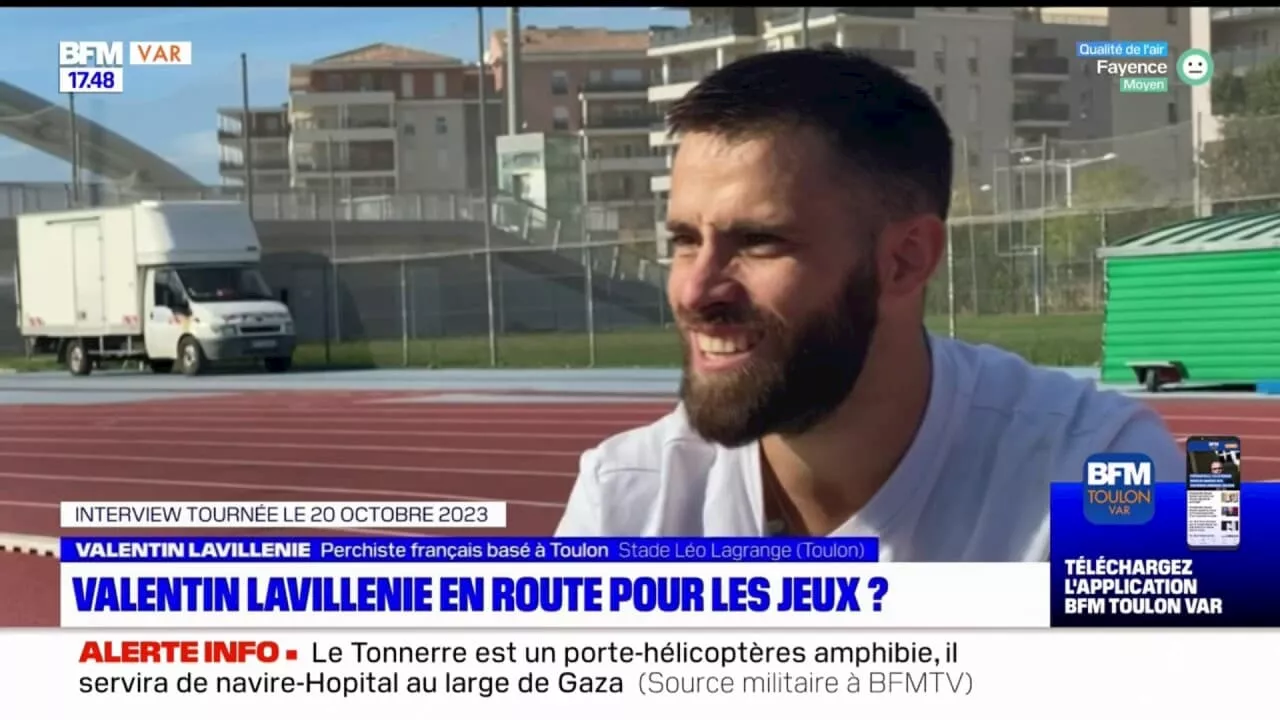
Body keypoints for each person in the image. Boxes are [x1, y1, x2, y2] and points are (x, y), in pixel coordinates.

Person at [554, 48, 1182, 560]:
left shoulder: (1100, 464)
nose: (695, 290)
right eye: (686, 241)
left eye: (759, 241)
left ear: (906, 259)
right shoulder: (628, 503)